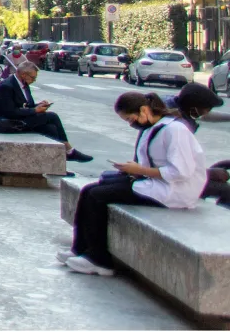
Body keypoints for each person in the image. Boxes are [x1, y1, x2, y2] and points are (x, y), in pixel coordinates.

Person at [60, 92, 206, 276]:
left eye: (131, 119)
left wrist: (139, 170)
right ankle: (80, 248)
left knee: (97, 196)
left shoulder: (175, 130)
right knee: (89, 190)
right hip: (155, 182)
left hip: (174, 190)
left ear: (144, 110)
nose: (131, 124)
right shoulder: (153, 128)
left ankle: (99, 259)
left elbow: (180, 172)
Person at [0, 62, 95, 162]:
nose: (34, 80)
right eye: (32, 78)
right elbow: (9, 112)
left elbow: (27, 105)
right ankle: (69, 150)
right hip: (9, 123)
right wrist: (35, 110)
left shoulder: (24, 85)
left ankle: (59, 163)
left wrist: (38, 106)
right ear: (23, 74)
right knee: (52, 116)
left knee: (51, 129)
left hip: (21, 118)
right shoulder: (6, 86)